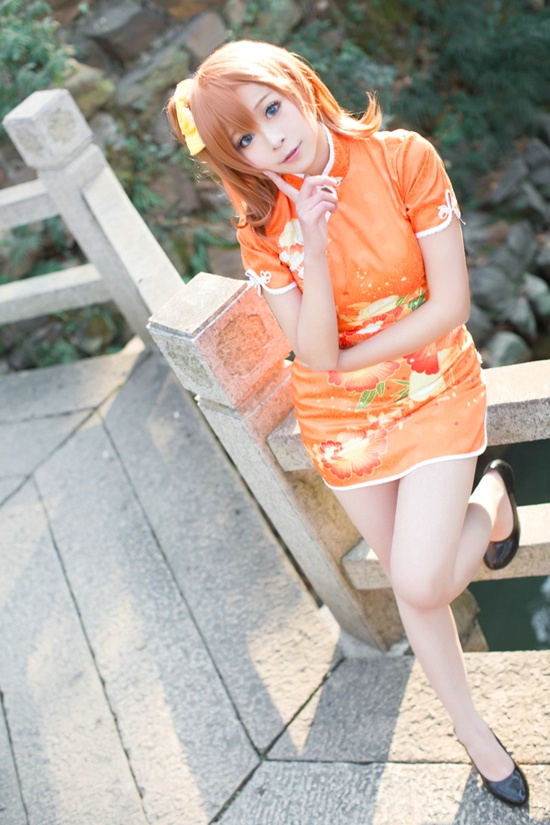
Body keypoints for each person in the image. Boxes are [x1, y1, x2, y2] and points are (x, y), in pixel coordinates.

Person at [166, 40, 528, 807]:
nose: (273, 139)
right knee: (413, 585)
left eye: (272, 108)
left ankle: (492, 497)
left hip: (432, 381)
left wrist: (352, 358)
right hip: (340, 415)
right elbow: (315, 352)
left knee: (420, 577)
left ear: (299, 85)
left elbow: (450, 304)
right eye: (247, 138)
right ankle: (471, 730)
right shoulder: (265, 228)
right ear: (236, 159)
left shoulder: (402, 159)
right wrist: (312, 238)